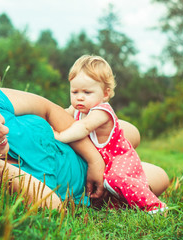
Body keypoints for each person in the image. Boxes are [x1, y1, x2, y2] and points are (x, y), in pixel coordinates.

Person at [0, 82, 169, 210]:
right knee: (160, 178)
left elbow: (47, 107)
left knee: (132, 132)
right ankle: (124, 165)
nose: (5, 130)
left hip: (77, 140)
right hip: (89, 183)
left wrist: (94, 159)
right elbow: (56, 209)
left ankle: (119, 155)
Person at [53, 55, 167, 213]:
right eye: (74, 91)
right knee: (109, 185)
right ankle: (117, 207)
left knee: (116, 179)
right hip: (107, 161)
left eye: (87, 92)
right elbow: (62, 113)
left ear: (105, 94)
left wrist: (59, 136)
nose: (79, 97)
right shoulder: (79, 108)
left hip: (120, 157)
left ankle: (154, 206)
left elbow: (84, 127)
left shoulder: (102, 111)